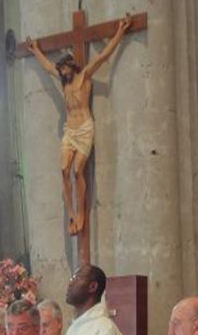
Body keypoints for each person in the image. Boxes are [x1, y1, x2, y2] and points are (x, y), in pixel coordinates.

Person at [25, 16, 131, 236]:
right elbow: (48, 67)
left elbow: (103, 56)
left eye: (64, 68)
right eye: (61, 70)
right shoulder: (64, 82)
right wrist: (35, 50)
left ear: (71, 66)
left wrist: (120, 32)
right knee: (64, 170)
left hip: (84, 129)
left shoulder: (84, 76)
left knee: (76, 170)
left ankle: (82, 213)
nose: (62, 72)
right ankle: (72, 213)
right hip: (70, 131)